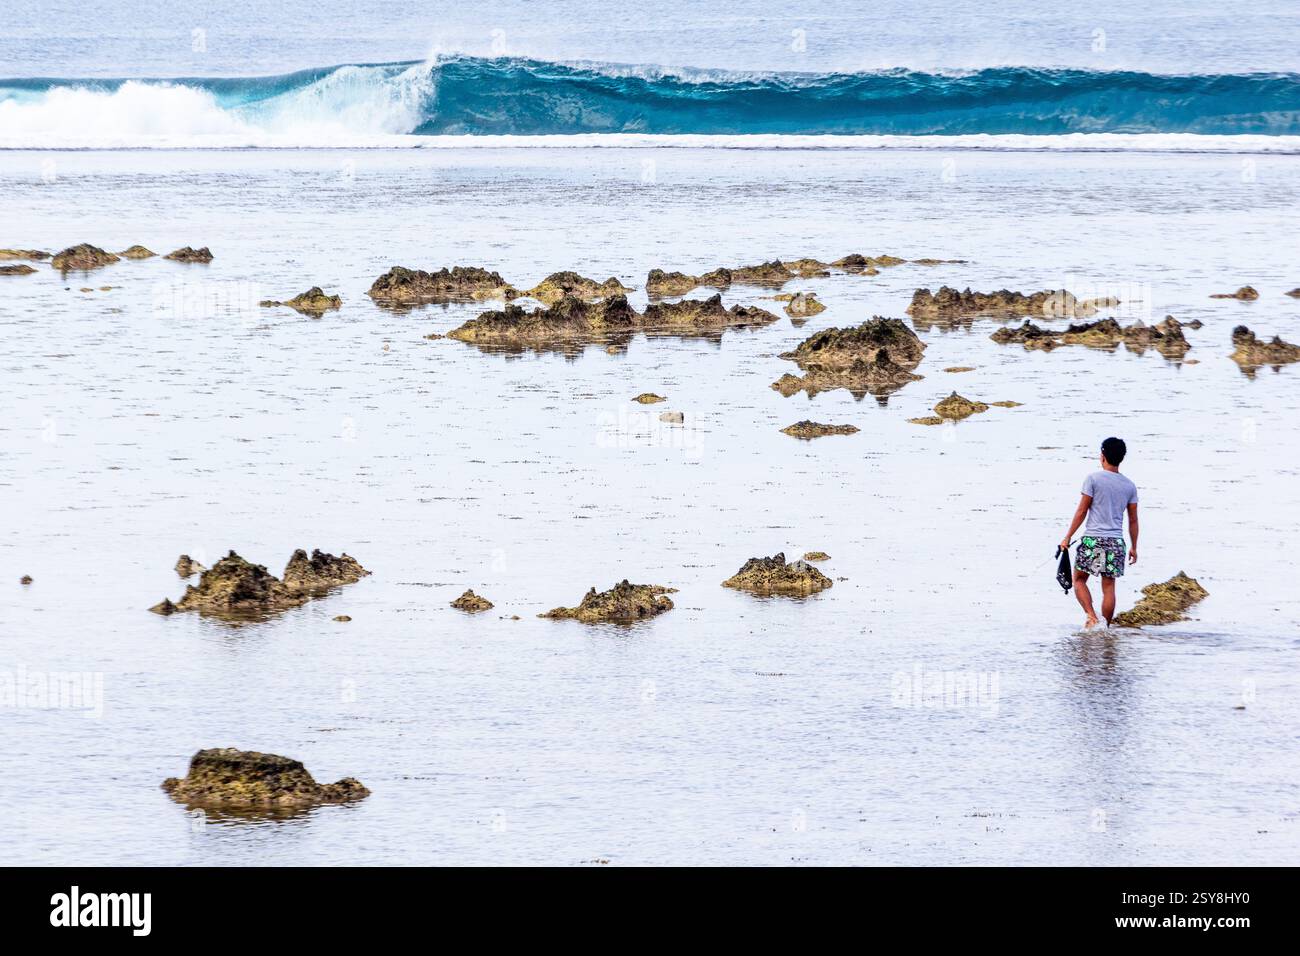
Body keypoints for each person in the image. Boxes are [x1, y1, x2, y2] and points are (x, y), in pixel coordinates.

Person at [1059, 437, 1139, 628]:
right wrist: (1134, 547)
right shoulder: (1129, 485)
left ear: (1102, 456)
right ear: (1121, 458)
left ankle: (1091, 616)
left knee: (1079, 579)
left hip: (1093, 540)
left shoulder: (1093, 479)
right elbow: (1133, 520)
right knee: (1109, 586)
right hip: (1116, 542)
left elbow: (1082, 510)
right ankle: (1105, 628)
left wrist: (1068, 536)